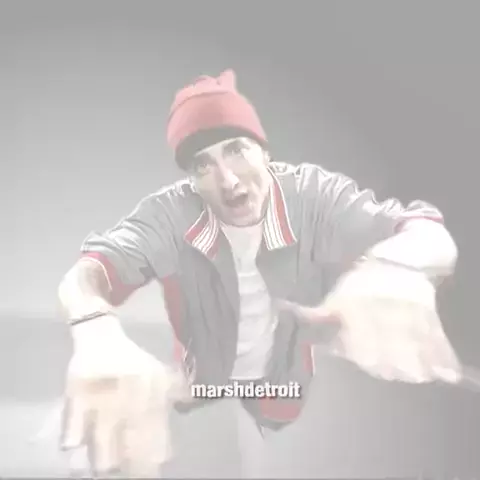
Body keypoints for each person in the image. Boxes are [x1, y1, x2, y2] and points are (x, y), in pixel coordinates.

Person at [57, 69, 461, 478]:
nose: (227, 179)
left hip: (291, 394)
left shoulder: (311, 195)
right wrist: (95, 332)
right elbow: (88, 273)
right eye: (202, 165)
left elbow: (423, 229)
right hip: (201, 390)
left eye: (236, 150)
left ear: (265, 152)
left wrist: (395, 267)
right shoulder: (171, 213)